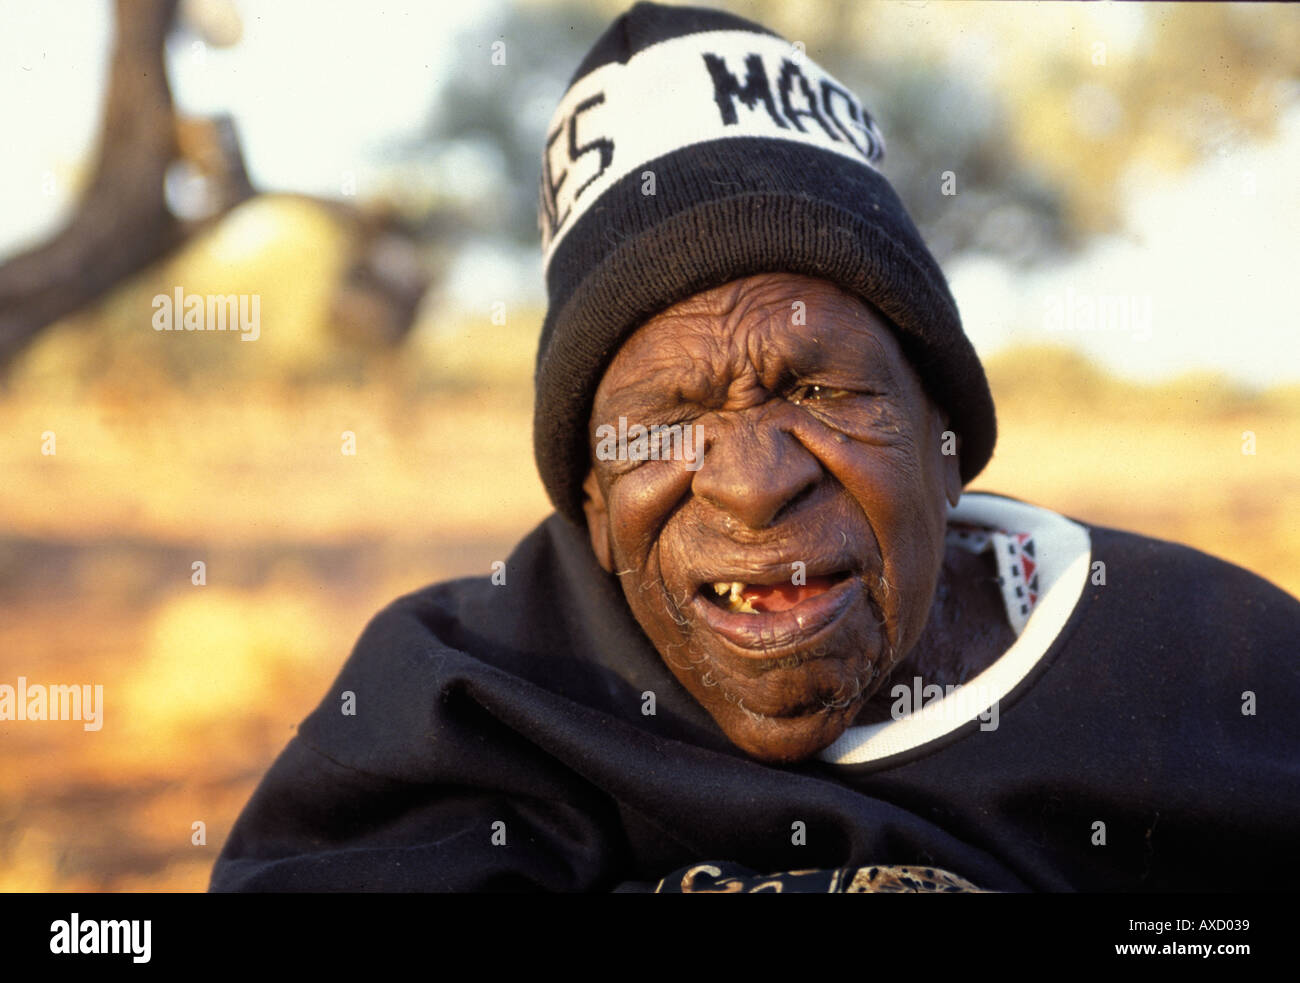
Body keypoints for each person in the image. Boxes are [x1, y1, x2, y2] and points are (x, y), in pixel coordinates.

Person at [210, 1, 1300, 893]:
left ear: (946, 437)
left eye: (821, 390)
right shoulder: (462, 704)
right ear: (589, 499)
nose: (752, 480)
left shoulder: (1215, 668)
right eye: (666, 419)